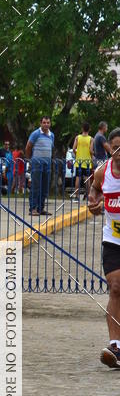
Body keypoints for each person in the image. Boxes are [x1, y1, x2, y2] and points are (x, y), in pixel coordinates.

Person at [87, 126, 120, 368]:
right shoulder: (102, 172)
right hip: (113, 240)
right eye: (115, 147)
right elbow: (95, 191)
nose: (119, 152)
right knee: (116, 288)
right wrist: (94, 201)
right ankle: (115, 346)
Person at [26, 115, 55, 217]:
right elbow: (28, 146)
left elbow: (51, 148)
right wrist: (30, 159)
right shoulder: (36, 134)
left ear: (50, 124)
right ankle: (33, 208)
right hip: (37, 163)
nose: (46, 124)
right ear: (40, 123)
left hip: (47, 164)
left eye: (48, 123)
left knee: (44, 187)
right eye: (44, 122)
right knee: (36, 186)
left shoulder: (52, 135)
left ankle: (41, 208)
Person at [72, 122, 92, 199]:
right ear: (89, 129)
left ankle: (77, 196)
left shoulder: (77, 137)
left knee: (78, 178)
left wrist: (77, 153)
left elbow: (73, 148)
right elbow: (90, 151)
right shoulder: (91, 139)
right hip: (87, 161)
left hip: (79, 161)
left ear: (82, 129)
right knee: (87, 179)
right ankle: (88, 195)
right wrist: (92, 155)